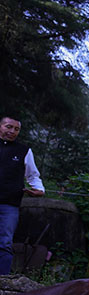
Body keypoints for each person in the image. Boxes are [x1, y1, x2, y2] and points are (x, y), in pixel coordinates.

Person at [0, 116, 44, 275]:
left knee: (5, 243)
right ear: (1, 127)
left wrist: (39, 190)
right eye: (8, 127)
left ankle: (3, 282)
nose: (11, 131)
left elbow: (32, 175)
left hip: (9, 205)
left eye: (16, 129)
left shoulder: (24, 151)